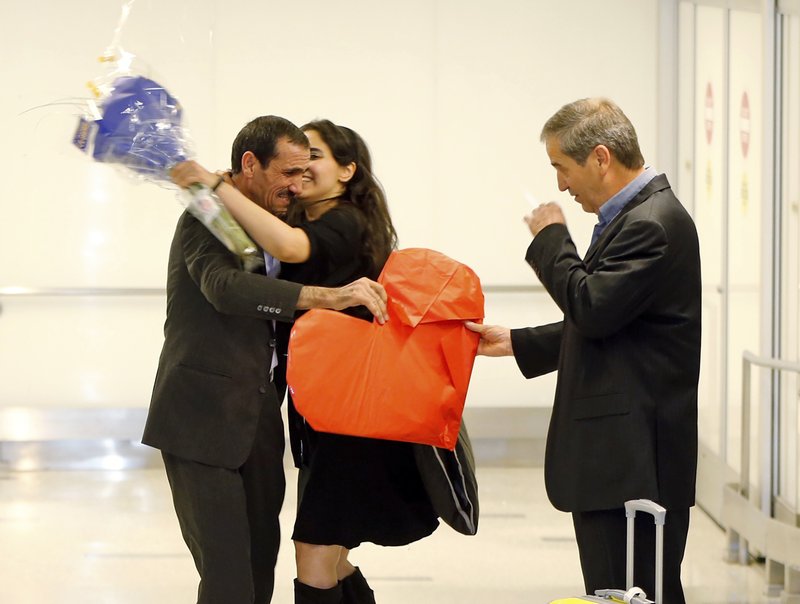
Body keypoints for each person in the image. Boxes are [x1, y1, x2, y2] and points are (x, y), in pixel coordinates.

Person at [172, 119, 439, 604]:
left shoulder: (311, 222)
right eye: (292, 169)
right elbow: (224, 286)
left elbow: (289, 252)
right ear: (250, 164)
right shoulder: (211, 213)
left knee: (265, 564)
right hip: (206, 414)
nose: (299, 181)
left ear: (347, 171)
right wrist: (326, 297)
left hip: (279, 414)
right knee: (236, 572)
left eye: (311, 163)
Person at [466, 98, 701, 603]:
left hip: (633, 463)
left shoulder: (650, 224)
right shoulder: (638, 216)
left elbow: (592, 307)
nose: (560, 186)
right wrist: (519, 342)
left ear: (600, 158)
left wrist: (552, 240)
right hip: (622, 460)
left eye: (562, 168)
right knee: (619, 591)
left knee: (632, 593)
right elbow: (618, 322)